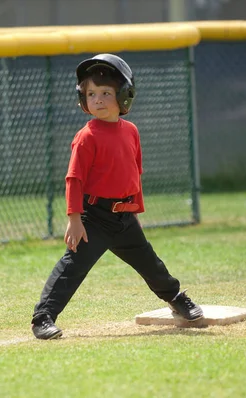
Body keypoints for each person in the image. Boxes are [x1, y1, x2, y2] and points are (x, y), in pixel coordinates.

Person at [31, 53, 203, 340]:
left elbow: (134, 172)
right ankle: (43, 318)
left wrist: (135, 210)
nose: (97, 99)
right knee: (72, 269)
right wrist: (74, 219)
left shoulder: (131, 131)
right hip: (93, 218)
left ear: (124, 95)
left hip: (124, 217)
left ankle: (175, 297)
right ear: (82, 99)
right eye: (91, 94)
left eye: (106, 93)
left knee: (150, 263)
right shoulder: (87, 136)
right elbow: (74, 179)